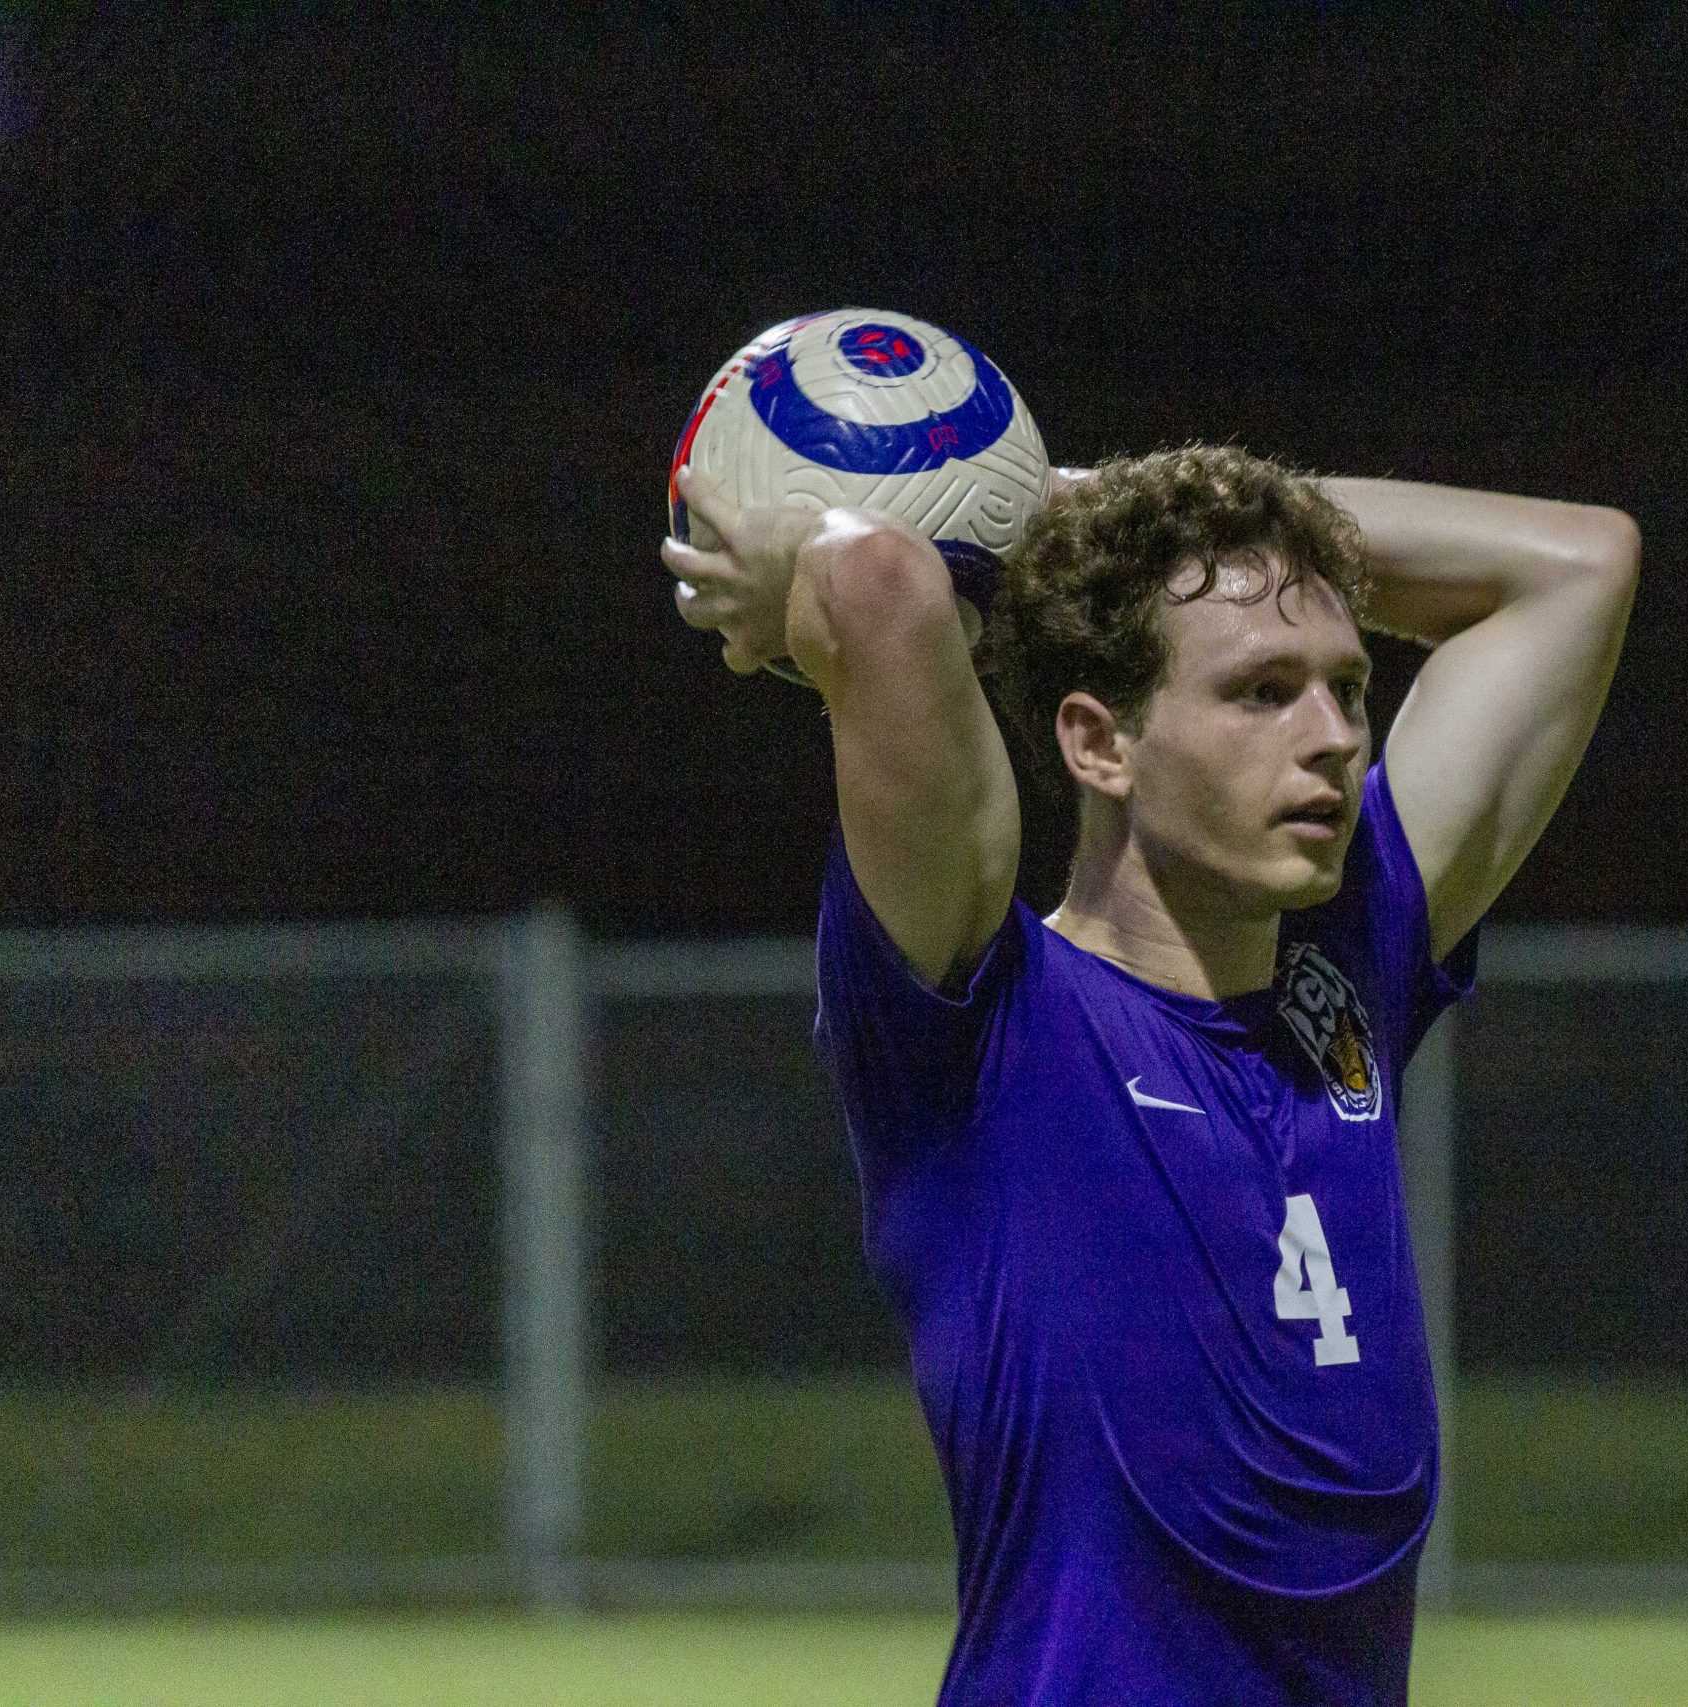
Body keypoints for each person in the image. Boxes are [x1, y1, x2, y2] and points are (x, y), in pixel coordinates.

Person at [662, 444, 1638, 1705]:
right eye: (1261, 691)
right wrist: (983, 510)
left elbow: (1578, 563)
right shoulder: (982, 1023)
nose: (1333, 737)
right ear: (1097, 742)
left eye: (1348, 686)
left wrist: (1080, 505)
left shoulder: (1347, 964)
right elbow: (883, 581)